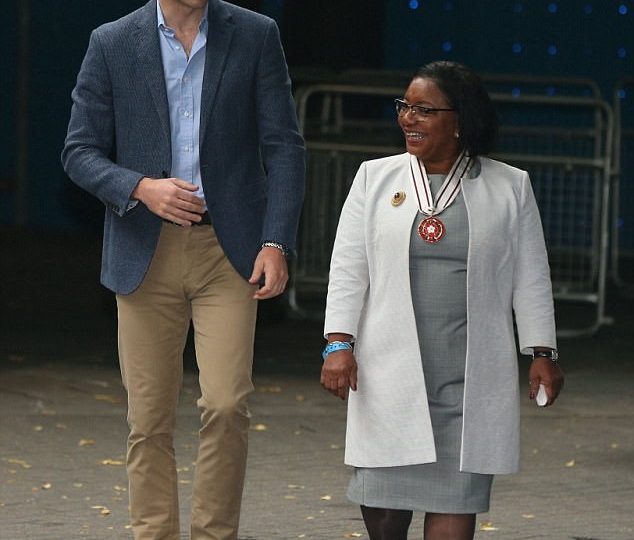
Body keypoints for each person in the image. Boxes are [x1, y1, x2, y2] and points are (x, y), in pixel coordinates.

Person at [61, 0, 305, 538]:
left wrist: (275, 241)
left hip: (231, 249)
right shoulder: (112, 41)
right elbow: (79, 151)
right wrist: (140, 187)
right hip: (144, 251)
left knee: (225, 404)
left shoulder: (256, 34)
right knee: (148, 420)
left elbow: (284, 147)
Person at [320, 61, 563, 540]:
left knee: (457, 495)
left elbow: (531, 275)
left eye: (424, 110)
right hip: (388, 370)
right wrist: (337, 343)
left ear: (460, 120)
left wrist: (542, 353)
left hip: (470, 376)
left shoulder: (510, 186)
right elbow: (349, 268)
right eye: (405, 107)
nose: (409, 118)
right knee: (383, 504)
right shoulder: (374, 178)